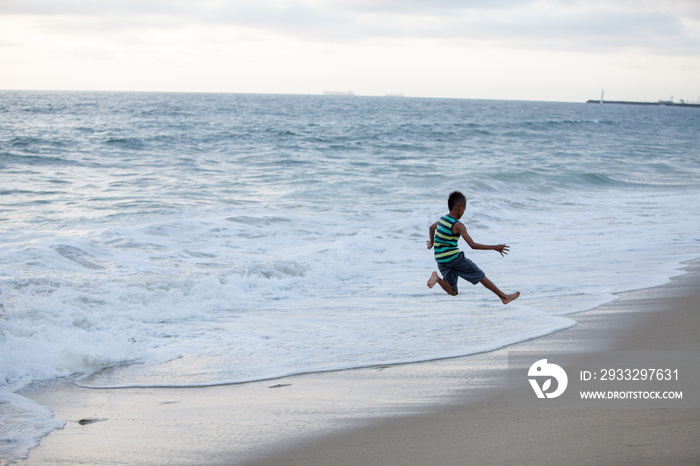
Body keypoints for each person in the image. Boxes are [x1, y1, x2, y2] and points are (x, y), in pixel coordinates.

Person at [427, 191, 520, 305]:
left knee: (453, 291)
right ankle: (504, 297)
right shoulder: (458, 225)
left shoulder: (442, 219)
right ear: (461, 208)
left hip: (441, 260)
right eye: (464, 210)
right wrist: (494, 247)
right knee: (480, 275)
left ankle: (437, 279)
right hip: (455, 259)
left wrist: (432, 243)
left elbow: (431, 228)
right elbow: (473, 245)